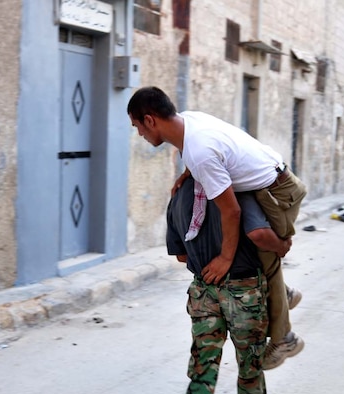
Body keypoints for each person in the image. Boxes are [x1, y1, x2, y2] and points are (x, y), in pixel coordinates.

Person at [128, 86, 307, 370]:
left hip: (278, 191)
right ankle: (283, 293)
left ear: (150, 120)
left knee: (263, 247)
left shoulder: (199, 153)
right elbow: (211, 150)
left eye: (137, 126)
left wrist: (224, 260)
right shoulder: (188, 122)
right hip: (262, 179)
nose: (139, 133)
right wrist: (188, 173)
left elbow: (231, 211)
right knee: (257, 244)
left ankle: (285, 338)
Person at [167, 175, 283, 394]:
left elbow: (180, 254)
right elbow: (259, 233)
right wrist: (283, 245)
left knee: (202, 374)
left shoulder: (178, 195)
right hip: (244, 292)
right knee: (250, 364)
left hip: (204, 292)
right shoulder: (236, 190)